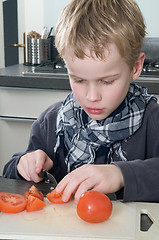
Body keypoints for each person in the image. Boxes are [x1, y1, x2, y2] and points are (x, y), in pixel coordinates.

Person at [3, 0, 159, 204]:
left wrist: (121, 175)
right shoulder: (50, 122)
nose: (92, 96)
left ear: (136, 67)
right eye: (79, 80)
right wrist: (24, 164)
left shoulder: (152, 120)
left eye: (107, 81)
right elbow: (10, 173)